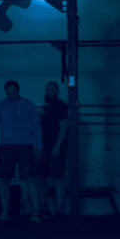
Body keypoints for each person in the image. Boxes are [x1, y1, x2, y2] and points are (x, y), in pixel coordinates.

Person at [0, 80, 43, 222]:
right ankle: (5, 211)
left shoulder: (28, 105)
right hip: (6, 146)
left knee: (30, 179)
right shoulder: (0, 106)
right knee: (3, 180)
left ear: (18, 90)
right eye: (8, 92)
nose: (11, 95)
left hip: (25, 145)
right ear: (6, 92)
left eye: (13, 92)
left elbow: (36, 127)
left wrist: (39, 146)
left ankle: (36, 211)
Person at [40, 81, 68, 217]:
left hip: (56, 147)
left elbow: (64, 126)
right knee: (45, 177)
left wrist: (57, 145)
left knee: (57, 178)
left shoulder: (61, 106)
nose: (48, 92)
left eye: (51, 90)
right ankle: (48, 208)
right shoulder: (47, 108)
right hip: (45, 147)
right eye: (47, 89)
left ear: (56, 92)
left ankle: (59, 208)